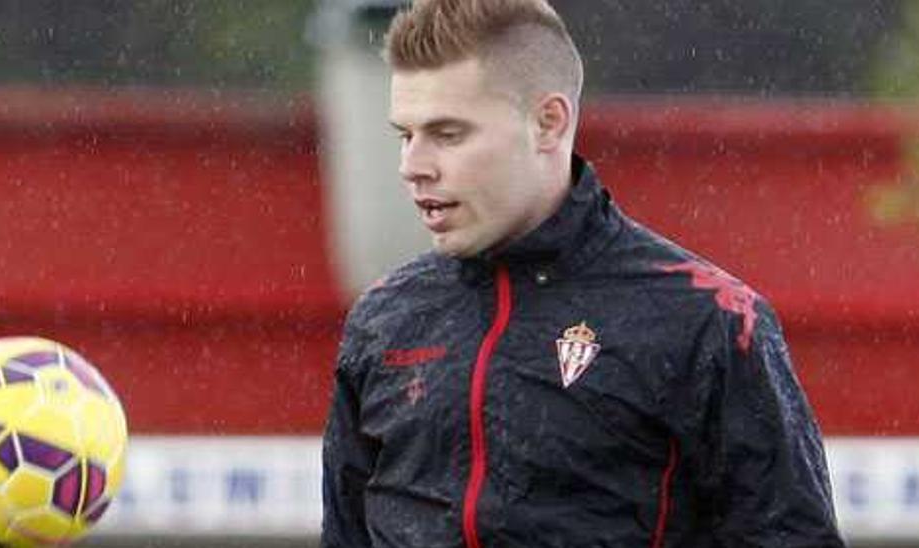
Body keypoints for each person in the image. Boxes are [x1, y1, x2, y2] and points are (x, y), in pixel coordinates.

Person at [321, 0, 845, 546]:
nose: (413, 165)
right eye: (405, 135)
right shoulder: (384, 321)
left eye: (448, 134)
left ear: (549, 122)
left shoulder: (707, 320)